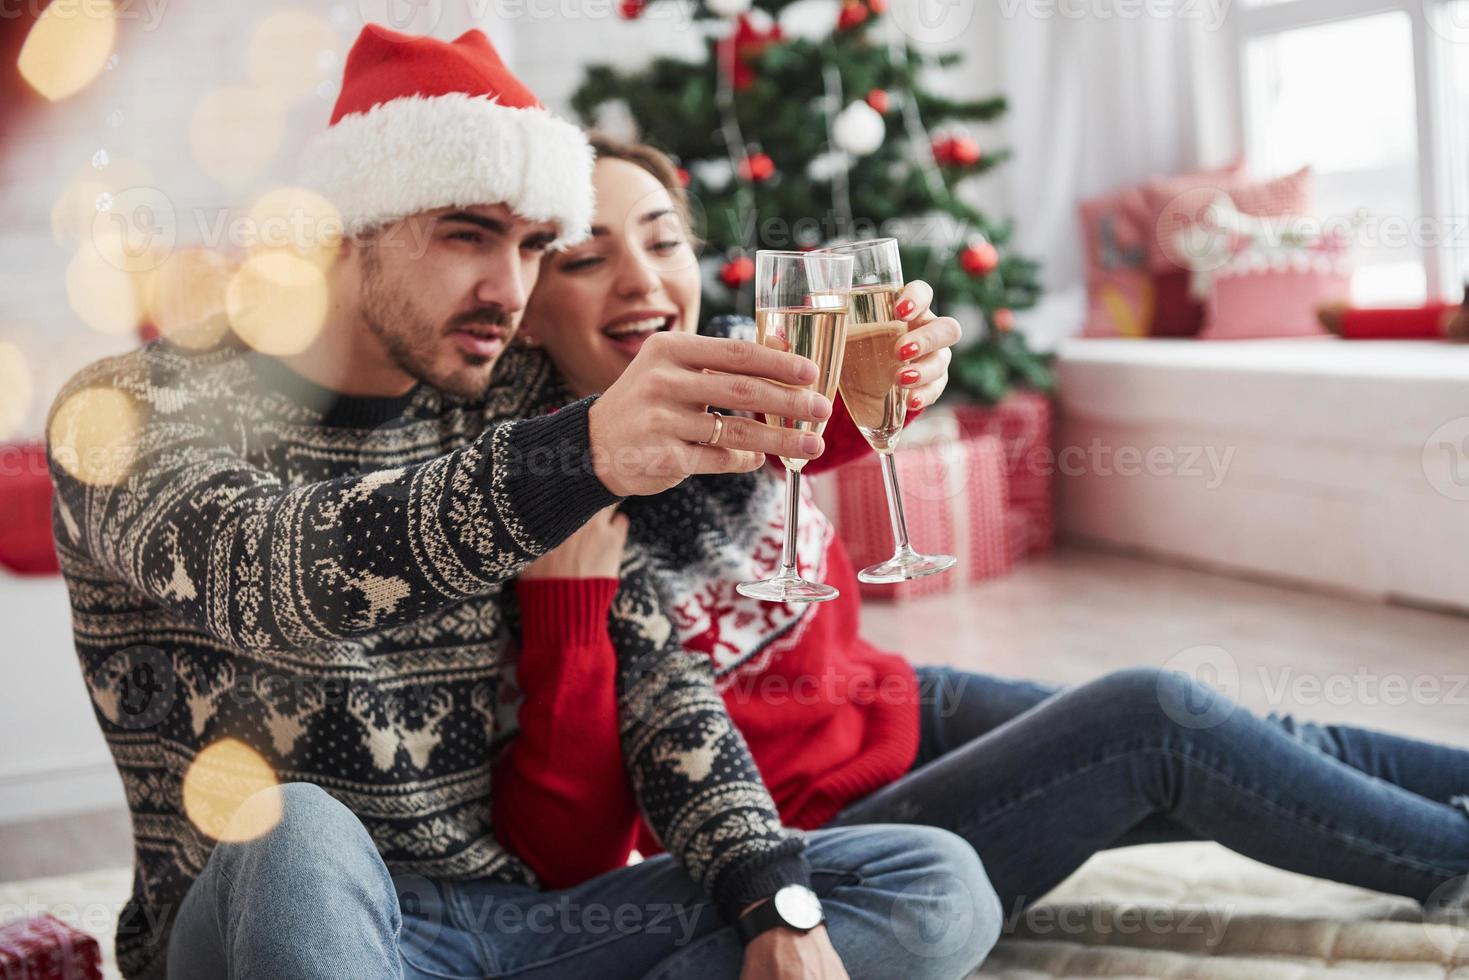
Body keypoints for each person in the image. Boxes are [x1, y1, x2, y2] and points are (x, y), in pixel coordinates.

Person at [49, 27, 997, 980]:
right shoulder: (133, 406)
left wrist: (773, 903)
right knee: (293, 829)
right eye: (467, 233)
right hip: (276, 924)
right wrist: (578, 451)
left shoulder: (504, 397)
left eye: (537, 245)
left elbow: (656, 680)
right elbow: (280, 576)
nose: (507, 290)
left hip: (512, 925)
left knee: (927, 880)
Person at [496, 135, 1469, 935]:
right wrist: (563, 608)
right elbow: (569, 851)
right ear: (522, 305)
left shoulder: (718, 400)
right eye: (584, 256)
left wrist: (904, 362)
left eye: (663, 241)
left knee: (1236, 733)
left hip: (894, 710)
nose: (643, 278)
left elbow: (837, 424)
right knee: (1150, 719)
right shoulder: (531, 500)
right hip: (831, 833)